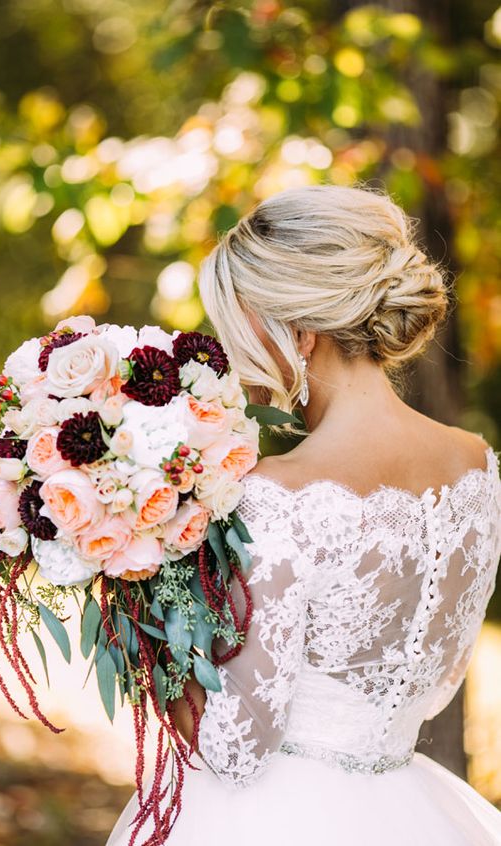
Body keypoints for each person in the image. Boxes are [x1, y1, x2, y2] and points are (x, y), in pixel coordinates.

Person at [107, 184, 501, 845]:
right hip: (409, 807)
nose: (229, 348)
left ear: (300, 330)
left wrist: (140, 621)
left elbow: (234, 749)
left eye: (240, 321)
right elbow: (436, 684)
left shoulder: (276, 494)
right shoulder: (477, 467)